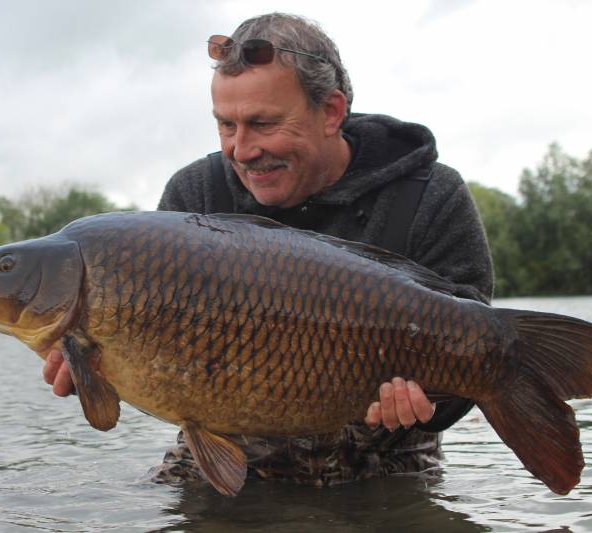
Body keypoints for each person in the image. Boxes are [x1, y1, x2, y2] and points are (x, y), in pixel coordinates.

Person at [42, 12, 493, 488]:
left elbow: (476, 360)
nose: (241, 149)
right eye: (226, 125)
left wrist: (431, 405)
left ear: (332, 112)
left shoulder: (427, 196)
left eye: (263, 124)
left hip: (382, 464)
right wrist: (95, 367)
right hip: (224, 453)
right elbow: (157, 365)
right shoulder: (195, 198)